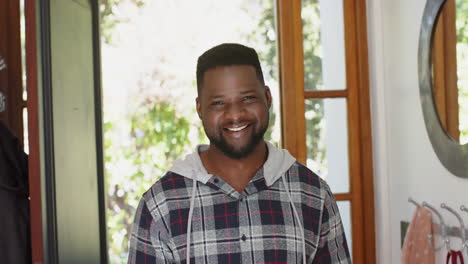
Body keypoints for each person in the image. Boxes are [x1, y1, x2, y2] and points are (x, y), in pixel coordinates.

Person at [127, 43, 350, 264]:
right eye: (219, 103)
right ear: (200, 109)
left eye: (247, 98)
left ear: (268, 98)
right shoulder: (160, 204)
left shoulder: (314, 194)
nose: (235, 114)